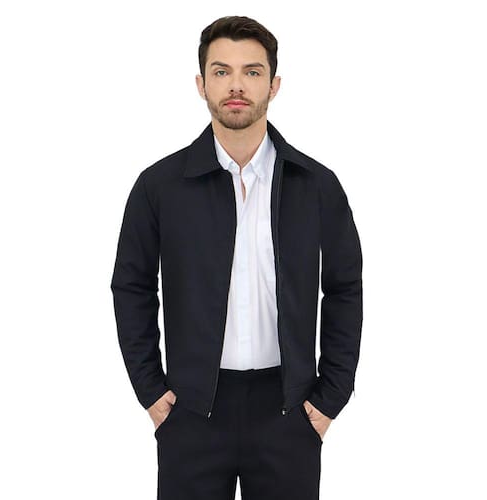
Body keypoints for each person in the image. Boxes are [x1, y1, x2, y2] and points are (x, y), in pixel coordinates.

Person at [110, 15, 363, 500]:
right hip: (190, 412)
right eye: (222, 71)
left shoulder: (317, 186)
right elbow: (131, 286)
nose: (236, 86)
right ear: (201, 84)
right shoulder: (159, 186)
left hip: (290, 411)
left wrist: (330, 397)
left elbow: (344, 288)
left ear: (274, 85)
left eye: (252, 71)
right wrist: (152, 392)